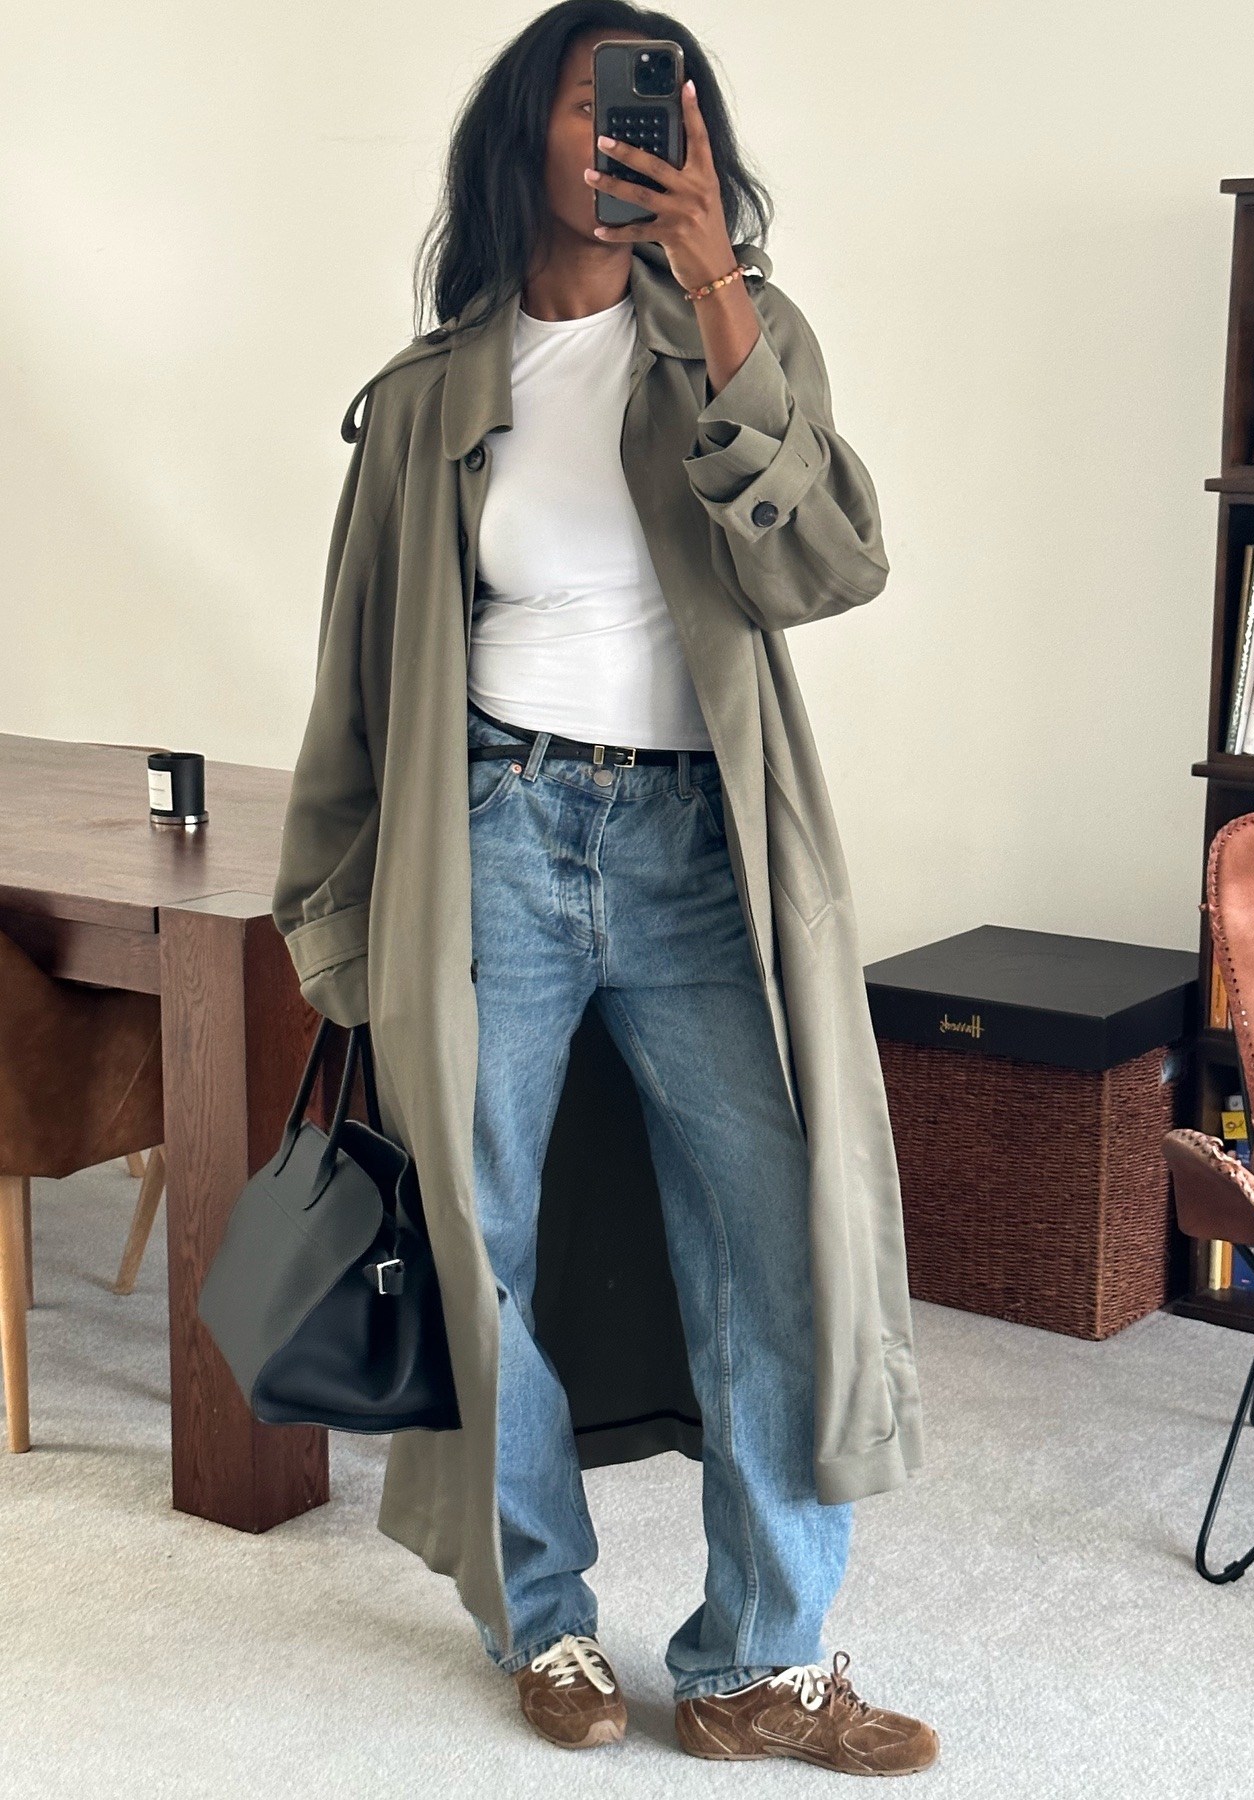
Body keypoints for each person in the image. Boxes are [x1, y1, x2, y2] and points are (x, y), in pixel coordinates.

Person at [272, 0, 932, 1777]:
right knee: (484, 1255)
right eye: (605, 95)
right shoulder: (428, 398)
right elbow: (353, 680)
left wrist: (717, 287)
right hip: (491, 837)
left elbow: (827, 569)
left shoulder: (743, 334)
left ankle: (759, 1664)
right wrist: (331, 912)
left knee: (777, 1250)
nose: (643, 124)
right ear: (528, 135)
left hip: (695, 857)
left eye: (674, 99)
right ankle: (542, 1617)